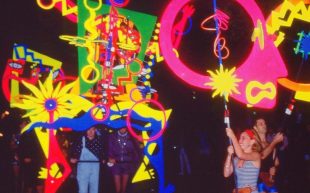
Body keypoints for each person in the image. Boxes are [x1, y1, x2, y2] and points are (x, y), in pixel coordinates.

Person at [224, 128, 261, 193]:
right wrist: (229, 155)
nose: (240, 141)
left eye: (243, 138)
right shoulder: (236, 159)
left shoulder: (256, 155)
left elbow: (241, 154)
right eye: (239, 138)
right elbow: (226, 174)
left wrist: (232, 136)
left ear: (252, 141)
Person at [252, 118, 284, 193]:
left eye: (265, 123)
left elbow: (276, 163)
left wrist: (274, 168)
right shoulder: (254, 143)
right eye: (261, 124)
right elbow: (261, 156)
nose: (264, 125)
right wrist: (274, 142)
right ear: (255, 128)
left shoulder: (270, 145)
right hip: (257, 181)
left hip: (268, 181)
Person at [70, 126, 105, 193]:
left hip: (95, 168)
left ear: (95, 130)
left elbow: (103, 154)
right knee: (82, 190)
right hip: (83, 168)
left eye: (92, 130)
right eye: (88, 130)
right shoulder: (80, 140)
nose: (90, 132)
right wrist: (72, 158)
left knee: (94, 189)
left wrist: (104, 159)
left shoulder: (99, 141)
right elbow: (73, 152)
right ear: (86, 131)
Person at [108, 127, 141, 193]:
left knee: (124, 189)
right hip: (116, 163)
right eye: (120, 126)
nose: (122, 128)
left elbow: (135, 151)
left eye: (124, 127)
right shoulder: (112, 136)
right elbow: (109, 149)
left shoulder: (132, 137)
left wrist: (134, 161)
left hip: (127, 163)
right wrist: (109, 158)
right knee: (117, 188)